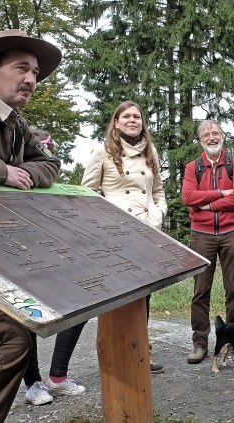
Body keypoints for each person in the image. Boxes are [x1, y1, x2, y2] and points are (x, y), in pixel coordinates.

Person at [0, 29, 62, 423]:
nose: (31, 79)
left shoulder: (16, 124)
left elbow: (50, 166)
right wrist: (2, 170)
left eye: (35, 72)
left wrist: (22, 172)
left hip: (1, 256)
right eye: (21, 67)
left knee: (14, 339)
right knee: (13, 340)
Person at [82, 100, 168, 373]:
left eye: (138, 116)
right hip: (116, 234)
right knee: (115, 295)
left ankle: (142, 351)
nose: (133, 120)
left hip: (147, 230)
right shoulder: (102, 152)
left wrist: (159, 214)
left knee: (144, 296)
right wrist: (104, 223)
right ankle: (113, 355)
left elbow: (158, 192)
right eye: (127, 116)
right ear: (116, 122)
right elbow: (86, 193)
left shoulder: (150, 152)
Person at [20, 131, 86, 406]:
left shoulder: (47, 177)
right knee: (24, 315)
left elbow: (51, 170)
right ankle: (32, 383)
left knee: (80, 303)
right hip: (16, 253)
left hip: (50, 251)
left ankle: (57, 376)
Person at [181, 119, 234, 363]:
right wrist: (221, 193)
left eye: (216, 133)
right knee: (200, 291)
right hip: (201, 234)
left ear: (222, 136)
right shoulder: (193, 167)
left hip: (232, 232)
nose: (212, 137)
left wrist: (207, 204)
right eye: (206, 134)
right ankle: (200, 344)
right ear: (200, 140)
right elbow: (188, 197)